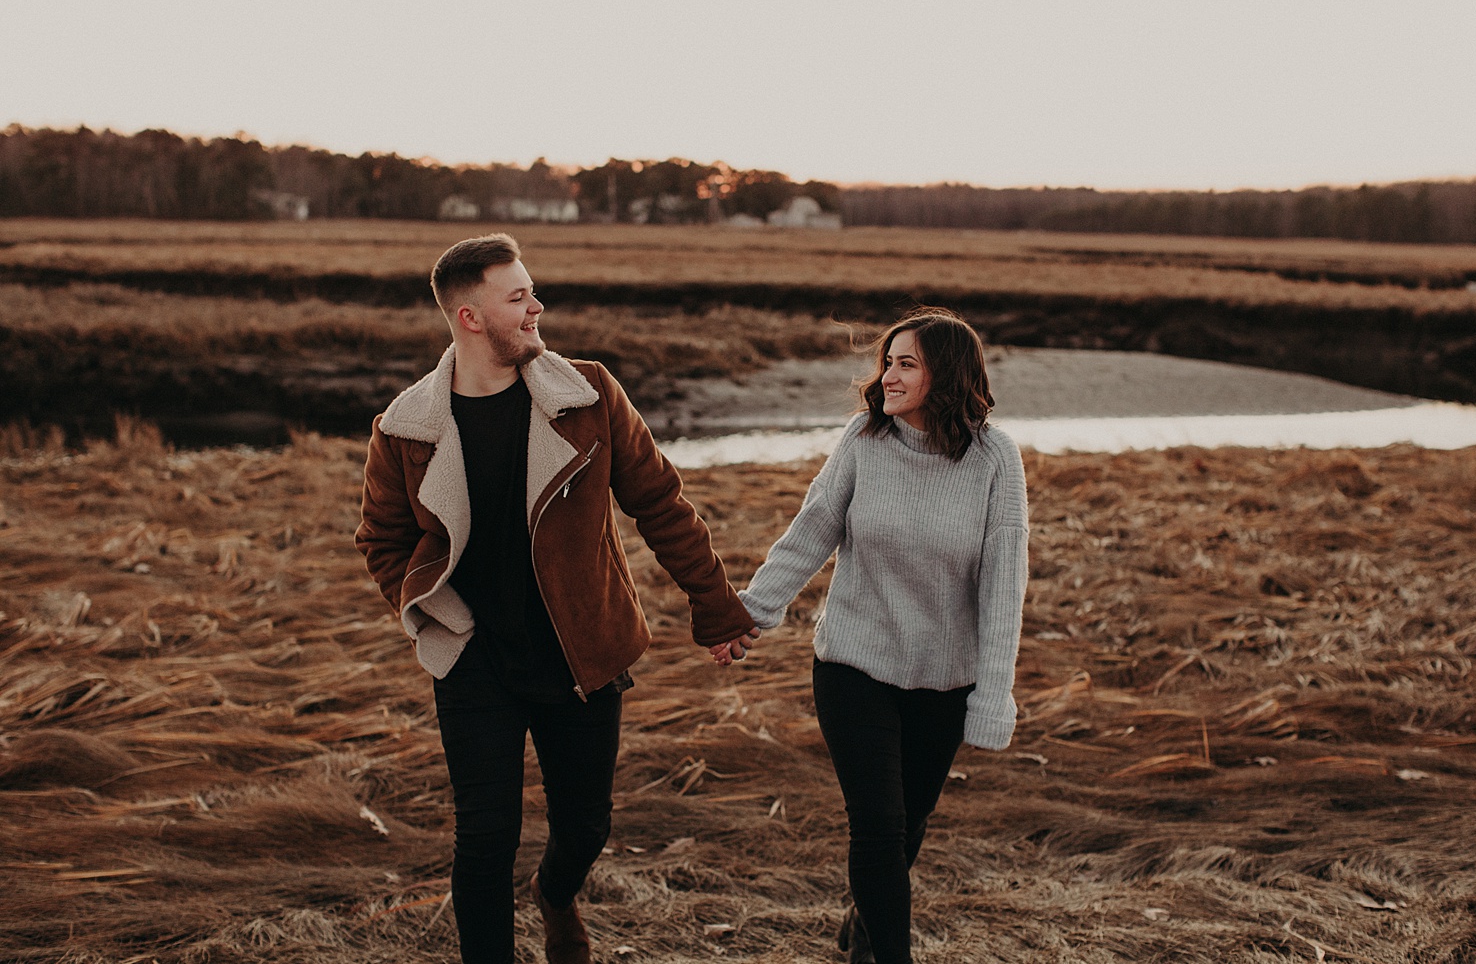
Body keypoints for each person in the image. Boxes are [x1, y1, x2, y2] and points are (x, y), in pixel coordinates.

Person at [355, 232, 756, 964]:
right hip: (474, 660)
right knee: (483, 836)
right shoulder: (405, 430)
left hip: (582, 649)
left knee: (586, 825)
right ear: (471, 317)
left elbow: (661, 504)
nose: (537, 307)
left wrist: (717, 609)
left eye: (531, 292)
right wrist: (431, 617)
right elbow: (380, 539)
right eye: (518, 298)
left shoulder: (589, 395)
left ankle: (556, 892)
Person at [714, 307, 1029, 964]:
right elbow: (810, 533)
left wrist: (994, 693)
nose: (887, 374)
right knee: (880, 826)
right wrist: (751, 613)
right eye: (887, 361)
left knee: (907, 828)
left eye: (905, 363)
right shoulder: (864, 441)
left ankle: (864, 930)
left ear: (944, 374)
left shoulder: (995, 458)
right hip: (854, 664)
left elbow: (1004, 581)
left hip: (945, 676)